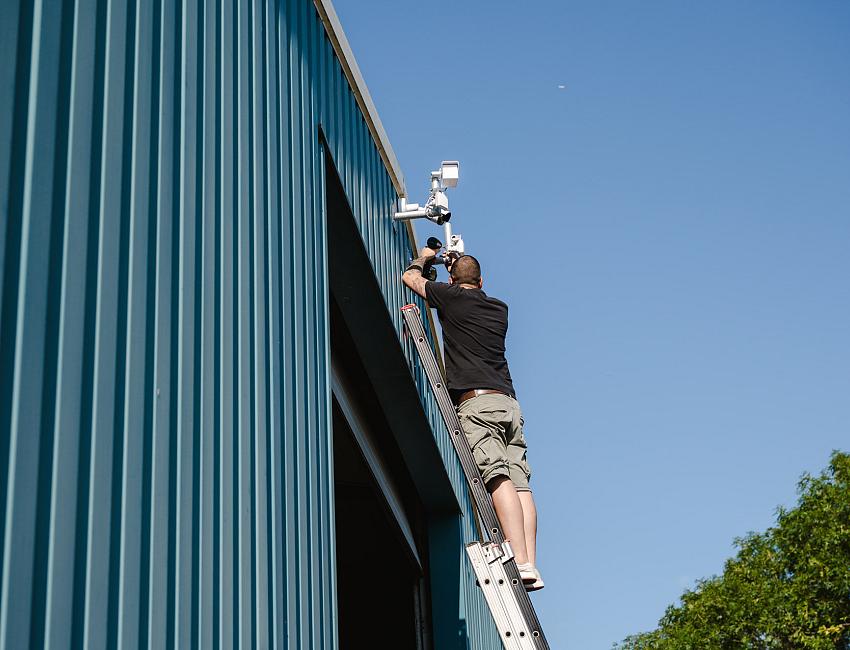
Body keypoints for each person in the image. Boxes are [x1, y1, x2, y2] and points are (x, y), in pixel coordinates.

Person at [402, 246, 544, 591]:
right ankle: (531, 563)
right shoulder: (499, 309)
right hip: (508, 403)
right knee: (521, 482)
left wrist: (426, 257)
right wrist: (457, 269)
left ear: (452, 280)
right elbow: (466, 285)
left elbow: (410, 278)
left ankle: (518, 559)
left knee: (495, 477)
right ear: (482, 281)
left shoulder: (451, 299)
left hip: (477, 404)